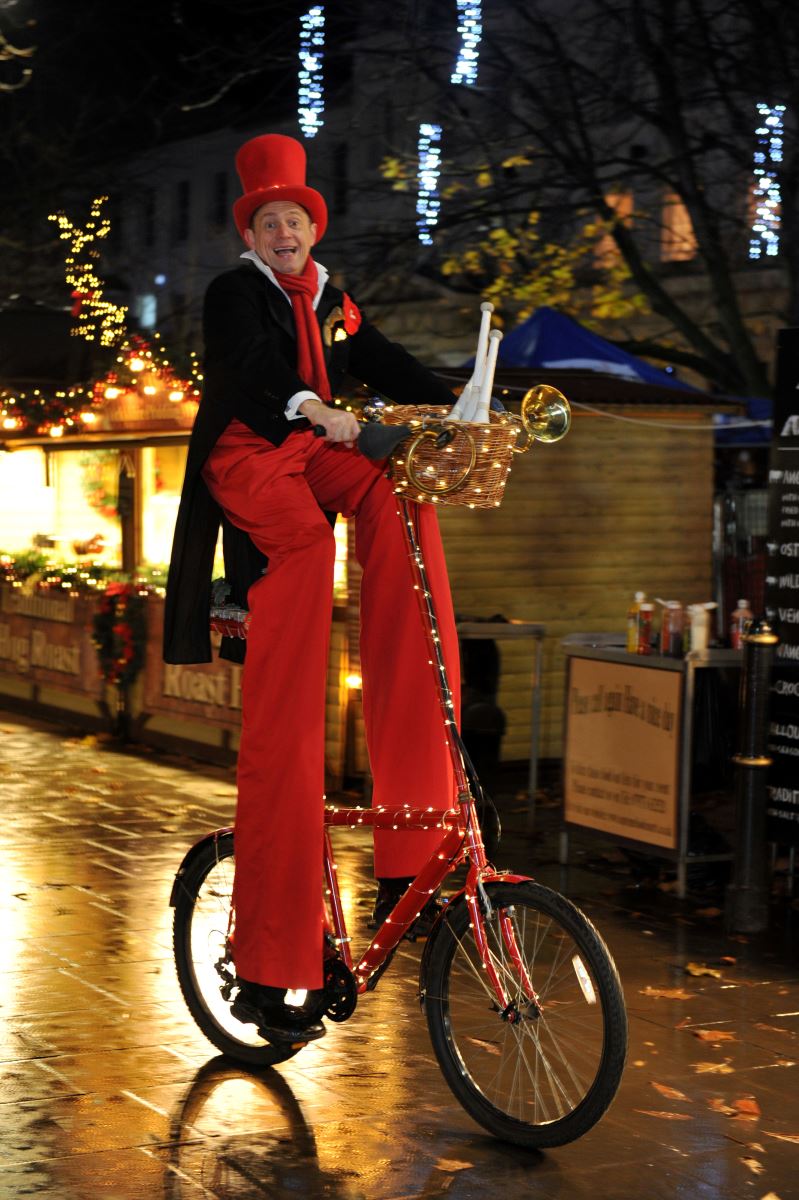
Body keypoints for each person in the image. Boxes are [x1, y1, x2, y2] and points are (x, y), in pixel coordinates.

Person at [164, 133, 461, 1044]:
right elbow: (255, 375)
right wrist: (321, 409)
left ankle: (416, 819)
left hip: (316, 450)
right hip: (251, 451)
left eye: (295, 217)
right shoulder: (233, 293)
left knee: (392, 491)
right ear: (251, 232)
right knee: (298, 541)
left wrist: (457, 400)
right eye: (269, 220)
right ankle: (280, 655)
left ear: (310, 225)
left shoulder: (330, 297)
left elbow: (381, 355)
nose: (284, 230)